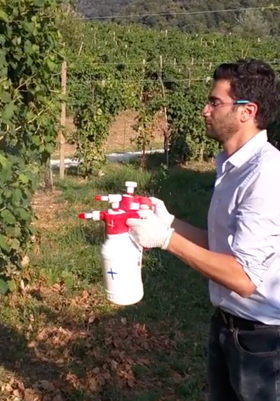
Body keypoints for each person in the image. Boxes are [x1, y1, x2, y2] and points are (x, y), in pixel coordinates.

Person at [126, 59, 280, 401]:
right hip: (227, 326)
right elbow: (225, 246)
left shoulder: (266, 175)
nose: (204, 110)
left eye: (215, 102)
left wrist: (166, 240)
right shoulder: (232, 165)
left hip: (263, 343)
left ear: (247, 111)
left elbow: (242, 277)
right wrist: (168, 221)